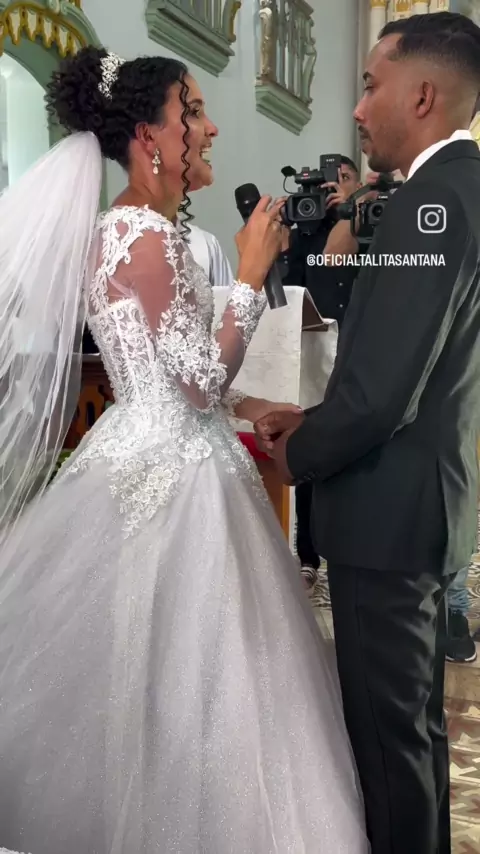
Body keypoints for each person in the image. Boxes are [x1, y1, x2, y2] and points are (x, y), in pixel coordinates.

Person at [0, 47, 369, 854]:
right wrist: (250, 273)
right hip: (174, 475)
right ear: (149, 137)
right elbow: (197, 382)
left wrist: (253, 404)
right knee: (187, 675)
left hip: (154, 445)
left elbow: (178, 377)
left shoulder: (130, 229)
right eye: (192, 112)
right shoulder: (145, 236)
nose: (208, 129)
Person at [255, 11, 480, 854]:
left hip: (386, 515)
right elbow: (403, 365)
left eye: (369, 85)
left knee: (389, 750)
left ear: (421, 96)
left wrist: (297, 453)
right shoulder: (454, 191)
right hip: (417, 504)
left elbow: (384, 393)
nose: (357, 109)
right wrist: (316, 415)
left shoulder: (432, 203)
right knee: (410, 736)